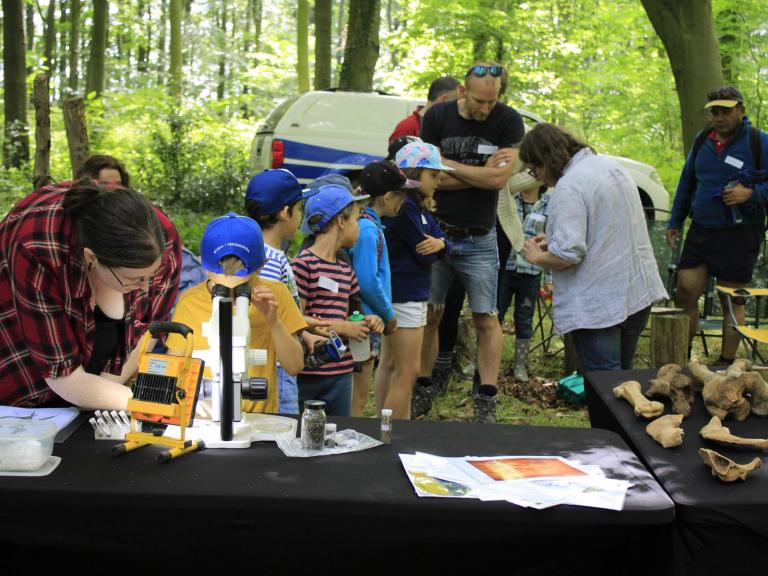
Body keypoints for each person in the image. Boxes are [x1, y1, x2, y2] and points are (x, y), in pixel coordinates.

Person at [0, 179, 181, 409]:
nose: (146, 288)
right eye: (135, 279)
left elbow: (150, 328)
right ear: (91, 259)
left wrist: (105, 395)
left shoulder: (161, 238)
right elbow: (63, 376)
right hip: (25, 366)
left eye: (151, 275)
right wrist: (155, 405)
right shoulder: (37, 249)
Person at [419, 61, 524, 424]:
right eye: (480, 102)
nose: (485, 109)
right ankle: (424, 385)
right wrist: (480, 174)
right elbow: (426, 179)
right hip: (437, 231)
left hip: (480, 236)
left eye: (492, 102)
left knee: (486, 317)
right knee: (430, 314)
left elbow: (499, 181)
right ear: (463, 92)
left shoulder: (508, 121)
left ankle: (486, 398)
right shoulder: (437, 119)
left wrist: (449, 166)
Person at [521, 123, 667, 374]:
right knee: (625, 383)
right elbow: (605, 227)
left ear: (546, 159)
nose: (539, 178)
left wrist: (537, 257)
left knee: (606, 385)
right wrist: (554, 238)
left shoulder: (569, 186)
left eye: (535, 170)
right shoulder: (609, 167)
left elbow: (567, 255)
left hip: (600, 303)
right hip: (635, 290)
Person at [665, 86, 768, 364]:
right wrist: (675, 221)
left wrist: (752, 194)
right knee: (685, 290)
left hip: (741, 232)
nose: (720, 117)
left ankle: (725, 362)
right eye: (715, 112)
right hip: (702, 229)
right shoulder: (702, 141)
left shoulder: (759, 142)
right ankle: (681, 357)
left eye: (726, 111)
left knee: (730, 299)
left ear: (741, 110)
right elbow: (687, 182)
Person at [169, 213, 306, 415]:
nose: (231, 295)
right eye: (221, 287)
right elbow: (173, 370)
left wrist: (273, 320)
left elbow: (294, 366)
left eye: (241, 287)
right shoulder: (189, 302)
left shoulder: (275, 295)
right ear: (204, 266)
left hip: (260, 419)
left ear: (262, 265)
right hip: (204, 417)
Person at [292, 185, 384, 416]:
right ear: (340, 221)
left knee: (338, 435)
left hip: (341, 373)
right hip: (309, 375)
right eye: (355, 219)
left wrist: (368, 321)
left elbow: (348, 316)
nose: (359, 228)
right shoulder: (303, 265)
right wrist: (344, 328)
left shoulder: (345, 268)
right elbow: (294, 320)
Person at [377, 142, 452, 419]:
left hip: (406, 294)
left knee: (391, 364)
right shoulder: (406, 210)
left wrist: (442, 244)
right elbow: (425, 255)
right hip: (405, 296)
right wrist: (440, 246)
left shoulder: (420, 209)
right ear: (415, 174)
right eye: (433, 175)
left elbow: (441, 242)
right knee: (408, 371)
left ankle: (388, 424)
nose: (439, 180)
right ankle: (395, 429)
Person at [244, 168, 318, 414]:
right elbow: (267, 312)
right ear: (285, 212)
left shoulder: (260, 254)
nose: (300, 217)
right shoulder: (269, 260)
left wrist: (302, 331)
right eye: (299, 210)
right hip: (276, 369)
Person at [349, 161, 418, 416]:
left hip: (368, 320)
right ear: (387, 198)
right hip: (365, 322)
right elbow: (367, 280)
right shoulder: (368, 230)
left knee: (358, 394)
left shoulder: (370, 225)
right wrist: (388, 314)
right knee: (357, 397)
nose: (403, 202)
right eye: (401, 195)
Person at [496, 174, 552, 382]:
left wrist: (549, 279)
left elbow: (553, 242)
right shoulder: (508, 199)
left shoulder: (549, 206)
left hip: (531, 271)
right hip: (505, 268)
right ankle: (479, 360)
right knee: (495, 314)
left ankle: (520, 366)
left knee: (524, 318)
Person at [389, 76, 461, 143]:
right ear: (444, 100)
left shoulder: (448, 125)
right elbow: (394, 155)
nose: (460, 106)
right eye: (457, 102)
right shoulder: (408, 127)